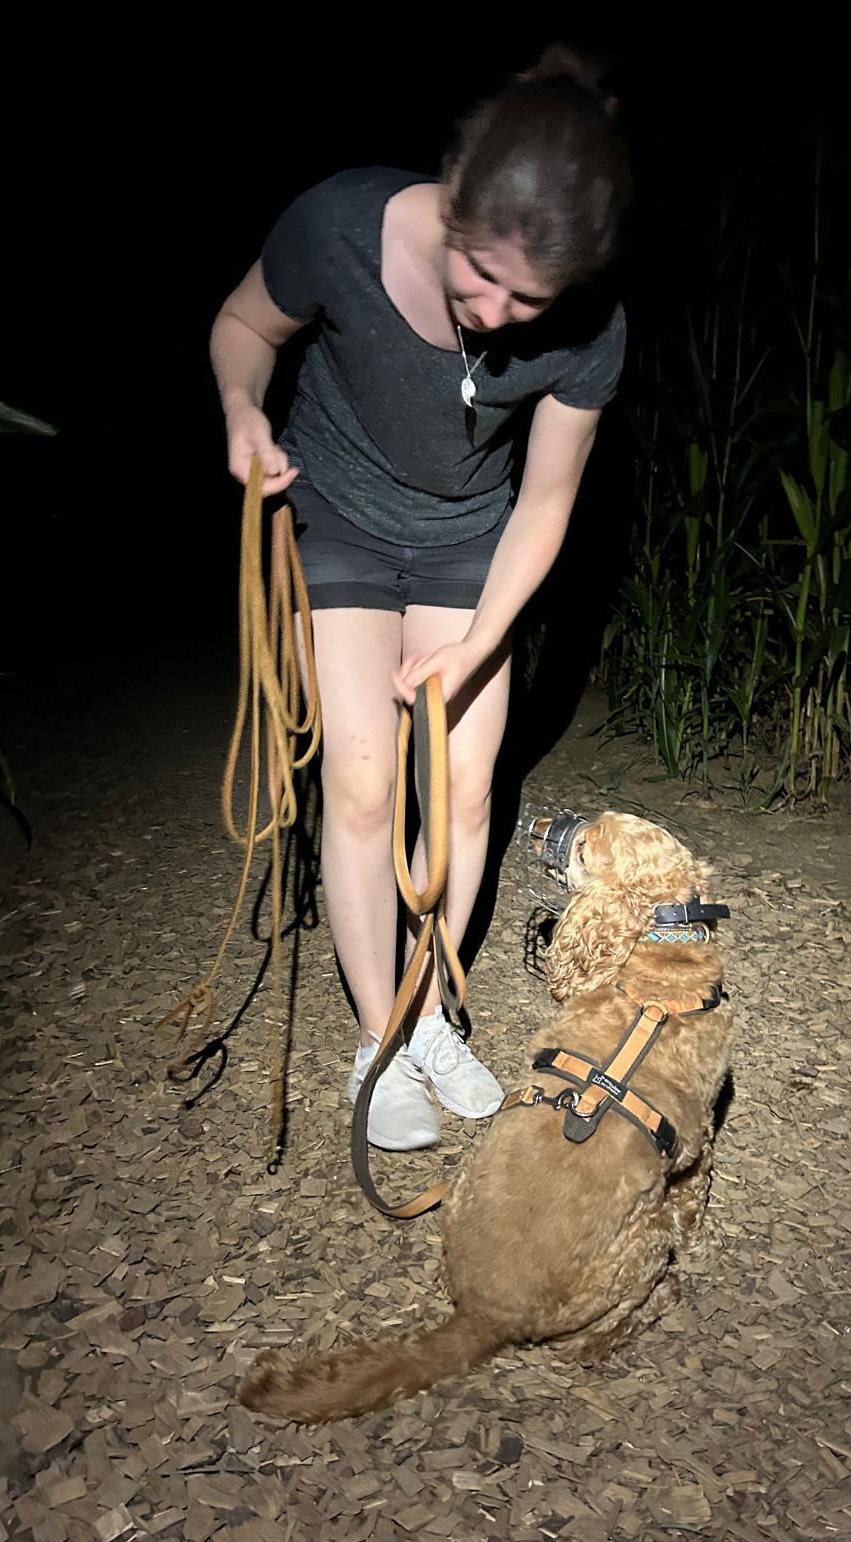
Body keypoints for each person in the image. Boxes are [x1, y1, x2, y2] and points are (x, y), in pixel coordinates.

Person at [209, 45, 631, 1152]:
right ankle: (379, 1039)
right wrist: (243, 412)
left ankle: (431, 1009)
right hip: (337, 511)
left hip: (469, 535)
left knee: (465, 789)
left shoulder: (592, 330)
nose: (494, 313)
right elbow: (243, 328)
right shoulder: (339, 225)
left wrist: (482, 642)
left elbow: (546, 500)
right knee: (360, 782)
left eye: (529, 298)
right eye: (477, 275)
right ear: (453, 198)